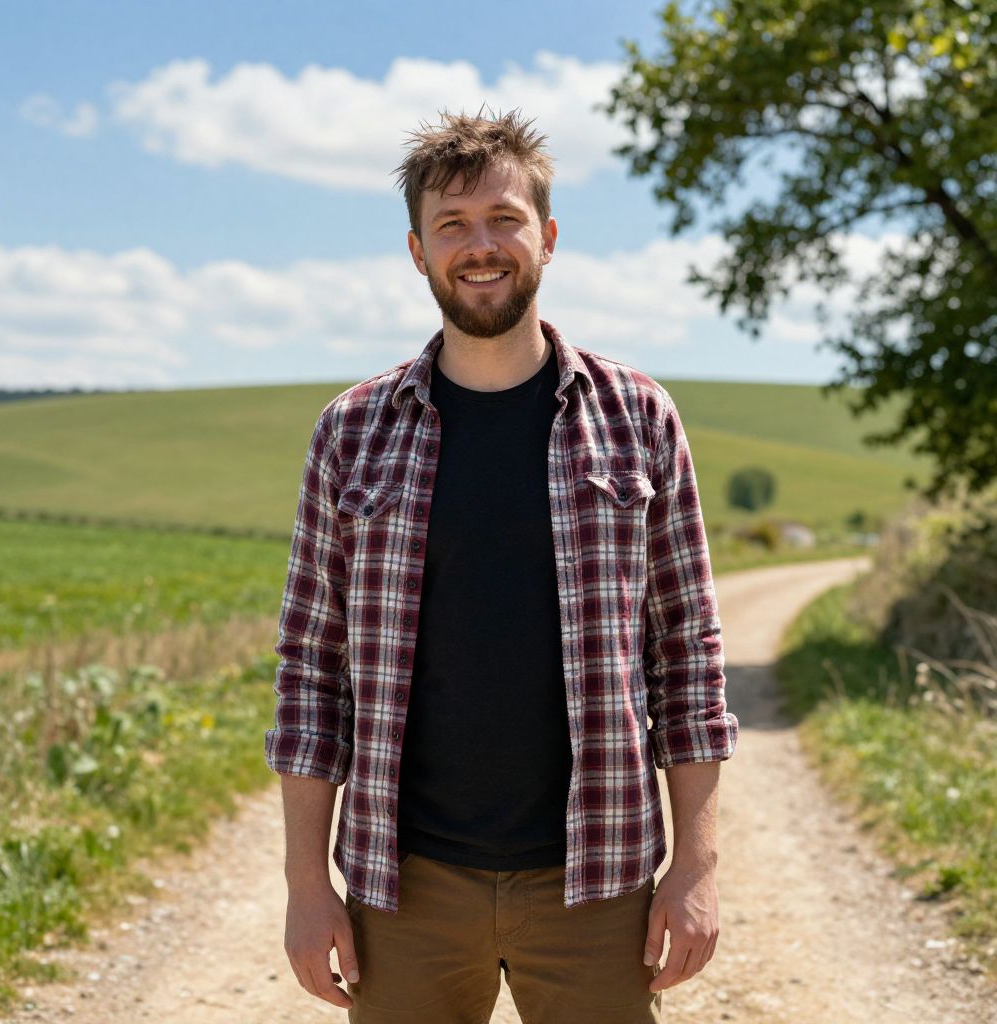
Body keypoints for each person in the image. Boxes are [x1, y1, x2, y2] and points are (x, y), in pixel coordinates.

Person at [264, 108, 739, 1024]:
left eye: (504, 219)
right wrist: (305, 885)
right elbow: (310, 673)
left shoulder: (638, 417)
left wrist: (696, 865)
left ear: (548, 237)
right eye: (452, 225)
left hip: (597, 881)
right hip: (405, 886)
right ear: (417, 251)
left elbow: (689, 656)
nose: (480, 246)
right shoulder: (352, 431)